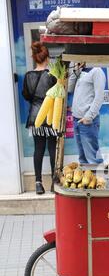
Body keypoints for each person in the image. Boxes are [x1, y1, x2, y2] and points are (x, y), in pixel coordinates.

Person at [22, 42, 57, 194]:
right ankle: (54, 182)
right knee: (52, 148)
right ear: (47, 57)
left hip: (35, 117)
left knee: (39, 149)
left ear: (35, 58)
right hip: (50, 116)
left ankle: (38, 183)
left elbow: (26, 95)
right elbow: (57, 95)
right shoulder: (52, 75)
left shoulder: (28, 76)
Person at [68, 63, 106, 165]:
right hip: (77, 119)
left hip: (87, 121)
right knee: (83, 159)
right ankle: (87, 180)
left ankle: (99, 180)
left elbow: (99, 97)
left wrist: (88, 117)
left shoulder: (97, 71)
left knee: (93, 158)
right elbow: (69, 88)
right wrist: (75, 71)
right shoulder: (81, 71)